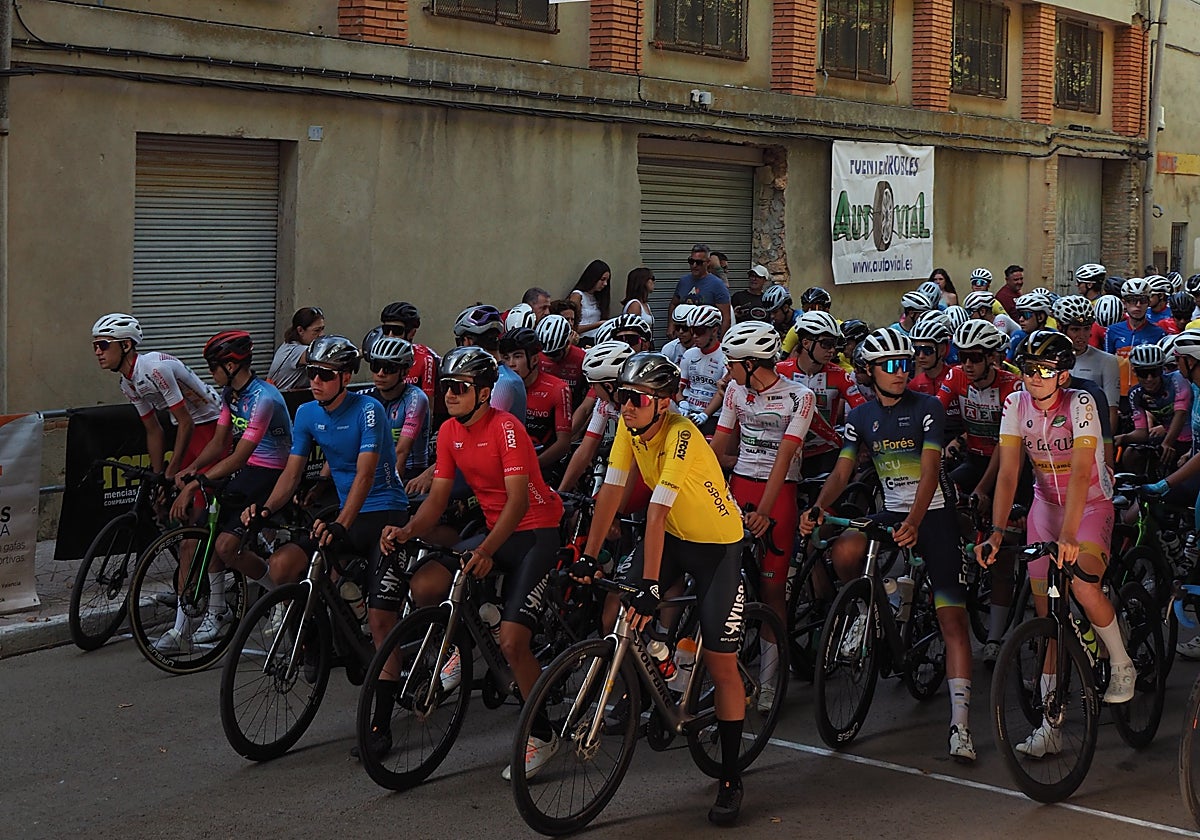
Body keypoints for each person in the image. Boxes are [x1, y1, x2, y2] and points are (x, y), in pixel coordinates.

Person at [574, 352, 750, 824]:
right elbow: (611, 491)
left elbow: (654, 510)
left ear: (665, 403)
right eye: (622, 396)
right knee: (617, 608)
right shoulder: (630, 432)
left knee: (721, 661)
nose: (625, 406)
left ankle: (731, 777)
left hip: (717, 547)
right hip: (675, 537)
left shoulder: (681, 435)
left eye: (637, 399)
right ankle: (659, 671)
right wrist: (588, 558)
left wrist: (652, 586)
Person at [380, 346, 564, 779]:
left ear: (484, 393)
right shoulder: (448, 432)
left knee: (513, 643)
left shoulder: (508, 428)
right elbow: (438, 498)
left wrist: (483, 551)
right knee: (432, 580)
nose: (450, 395)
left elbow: (518, 504)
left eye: (461, 388)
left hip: (535, 531)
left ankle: (543, 733)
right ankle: (468, 635)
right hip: (498, 529)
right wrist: (407, 531)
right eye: (447, 387)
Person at [801, 328, 975, 762]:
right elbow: (842, 472)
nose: (901, 373)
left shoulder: (929, 406)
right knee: (843, 550)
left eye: (906, 364)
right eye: (891, 366)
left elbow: (932, 470)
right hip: (892, 510)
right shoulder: (860, 417)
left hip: (933, 512)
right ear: (869, 372)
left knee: (951, 619)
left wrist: (916, 522)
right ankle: (865, 610)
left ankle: (960, 725)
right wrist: (820, 508)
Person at [245, 335, 410, 758]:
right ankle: (323, 637)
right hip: (346, 513)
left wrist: (341, 523)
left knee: (379, 622)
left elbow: (367, 475)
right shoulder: (306, 413)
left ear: (344, 378)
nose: (315, 382)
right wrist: (264, 511)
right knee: (286, 565)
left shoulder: (368, 411)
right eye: (311, 374)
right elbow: (291, 475)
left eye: (324, 375)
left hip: (384, 512)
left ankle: (380, 723)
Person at [978, 330, 1134, 760]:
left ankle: (1122, 661)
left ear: (1064, 375)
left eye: (1044, 371)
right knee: (1049, 618)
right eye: (1028, 369)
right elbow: (1009, 474)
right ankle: (1051, 726)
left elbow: (1083, 471)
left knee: (1083, 586)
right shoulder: (1015, 404)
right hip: (1045, 509)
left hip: (1090, 507)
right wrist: (995, 530)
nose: (1035, 378)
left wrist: (1069, 534)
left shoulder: (1081, 404)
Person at [159, 330, 292, 652]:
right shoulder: (230, 394)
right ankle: (217, 612)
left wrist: (196, 483)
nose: (209, 372)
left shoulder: (264, 398)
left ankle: (278, 596)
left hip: (272, 471)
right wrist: (190, 470)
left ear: (232, 365)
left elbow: (240, 454)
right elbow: (220, 443)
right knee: (209, 531)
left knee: (226, 545)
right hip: (247, 470)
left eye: (213, 365)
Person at [711, 322, 814, 668]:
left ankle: (771, 678)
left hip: (779, 492)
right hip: (740, 485)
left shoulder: (800, 396)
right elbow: (717, 446)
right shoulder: (734, 393)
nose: (727, 369)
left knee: (772, 590)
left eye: (732, 362)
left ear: (751, 363)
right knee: (722, 577)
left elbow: (785, 458)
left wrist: (766, 512)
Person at [92, 313, 223, 482]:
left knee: (195, 497)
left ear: (126, 345)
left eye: (103, 345)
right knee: (165, 498)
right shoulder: (127, 383)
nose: (97, 352)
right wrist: (156, 476)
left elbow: (186, 422)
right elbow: (153, 430)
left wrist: (170, 472)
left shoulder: (154, 368)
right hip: (188, 427)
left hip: (210, 420)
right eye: (95, 346)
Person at [778, 310, 864, 475]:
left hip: (824, 451)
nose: (833, 350)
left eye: (835, 344)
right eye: (826, 344)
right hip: (787, 450)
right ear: (806, 343)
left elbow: (862, 410)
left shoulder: (840, 375)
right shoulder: (781, 371)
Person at [362, 328, 431, 483]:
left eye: (389, 368)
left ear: (405, 372)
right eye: (375, 366)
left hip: (409, 472)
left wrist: (391, 491)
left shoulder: (416, 398)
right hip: (372, 470)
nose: (380, 373)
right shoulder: (363, 397)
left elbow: (402, 451)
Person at [499, 327, 572, 473]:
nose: (511, 363)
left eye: (517, 356)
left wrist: (530, 467)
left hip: (541, 465)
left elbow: (563, 443)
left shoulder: (558, 388)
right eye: (506, 358)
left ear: (534, 359)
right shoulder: (500, 386)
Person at [1117, 343, 1190, 471]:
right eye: (1143, 373)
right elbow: (1142, 433)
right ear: (1134, 371)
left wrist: (1167, 443)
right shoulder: (1135, 394)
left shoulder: (1177, 379)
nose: (1149, 379)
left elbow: (1181, 413)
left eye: (1155, 372)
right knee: (1131, 454)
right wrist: (1123, 438)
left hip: (1191, 438)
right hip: (1168, 439)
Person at [677, 305, 727, 434]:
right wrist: (681, 402)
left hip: (714, 414)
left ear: (714, 330)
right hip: (689, 410)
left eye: (699, 331)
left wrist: (705, 415)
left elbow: (721, 392)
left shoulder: (725, 356)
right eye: (692, 331)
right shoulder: (689, 354)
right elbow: (678, 387)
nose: (694, 336)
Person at [379, 301, 438, 404]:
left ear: (411, 333)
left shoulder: (424, 359)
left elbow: (428, 408)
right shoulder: (378, 353)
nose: (390, 335)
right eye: (386, 330)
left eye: (397, 331)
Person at [670, 244, 732, 335]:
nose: (694, 265)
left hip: (705, 337)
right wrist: (671, 326)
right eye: (691, 261)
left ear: (708, 262)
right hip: (684, 335)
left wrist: (721, 340)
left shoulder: (717, 285)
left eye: (699, 262)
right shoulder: (683, 281)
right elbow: (673, 304)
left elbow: (726, 317)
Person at [268, 306, 326, 390]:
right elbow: (321, 357)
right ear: (300, 330)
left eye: (322, 329)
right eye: (317, 330)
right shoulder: (295, 351)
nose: (321, 335)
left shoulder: (289, 345)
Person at [537, 313, 587, 408]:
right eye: (547, 355)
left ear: (568, 344)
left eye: (555, 354)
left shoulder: (581, 358)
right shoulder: (536, 357)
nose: (552, 358)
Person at [568, 259, 612, 339]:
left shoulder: (598, 297)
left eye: (607, 281)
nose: (605, 284)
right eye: (602, 279)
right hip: (582, 339)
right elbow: (573, 327)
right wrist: (599, 324)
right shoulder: (578, 296)